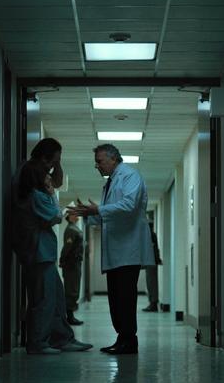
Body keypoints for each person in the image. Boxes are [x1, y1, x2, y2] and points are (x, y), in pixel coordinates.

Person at [70, 144, 155, 355]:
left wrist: (98, 209)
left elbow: (128, 206)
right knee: (116, 299)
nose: (96, 166)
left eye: (99, 161)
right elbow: (108, 216)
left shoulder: (130, 176)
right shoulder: (110, 183)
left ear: (113, 159)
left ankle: (129, 341)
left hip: (128, 250)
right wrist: (90, 214)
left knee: (125, 298)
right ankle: (122, 339)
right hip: (117, 251)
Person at [12, 138, 92, 355]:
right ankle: (38, 342)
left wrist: (57, 165)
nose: (52, 170)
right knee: (44, 299)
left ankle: (62, 338)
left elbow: (56, 181)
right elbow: (56, 216)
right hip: (37, 253)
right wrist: (50, 193)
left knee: (55, 297)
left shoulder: (37, 186)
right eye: (51, 163)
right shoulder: (36, 195)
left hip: (43, 253)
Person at [59, 211, 85, 325]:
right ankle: (69, 316)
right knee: (71, 289)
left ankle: (70, 315)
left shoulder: (74, 228)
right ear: (69, 217)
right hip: (71, 264)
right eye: (74, 214)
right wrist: (62, 260)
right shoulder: (71, 229)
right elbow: (67, 247)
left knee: (74, 288)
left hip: (75, 263)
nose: (77, 215)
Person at [142, 222, 163, 312]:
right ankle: (152, 303)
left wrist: (156, 259)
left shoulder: (150, 235)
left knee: (151, 283)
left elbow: (152, 249)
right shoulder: (151, 235)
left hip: (151, 262)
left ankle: (153, 303)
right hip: (151, 262)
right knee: (150, 283)